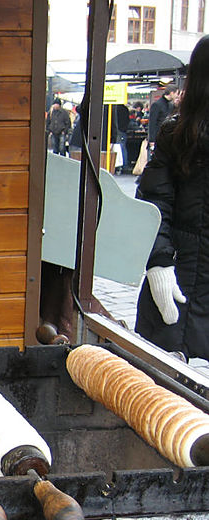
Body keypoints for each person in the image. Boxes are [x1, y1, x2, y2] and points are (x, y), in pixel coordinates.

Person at [135, 36, 209, 361]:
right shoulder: (176, 134)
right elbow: (152, 203)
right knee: (164, 400)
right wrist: (159, 262)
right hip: (179, 286)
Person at [147, 84, 179, 152]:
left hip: (167, 137)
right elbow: (152, 123)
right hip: (158, 137)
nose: (177, 96)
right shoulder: (157, 105)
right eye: (177, 93)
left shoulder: (170, 105)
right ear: (172, 93)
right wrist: (152, 140)